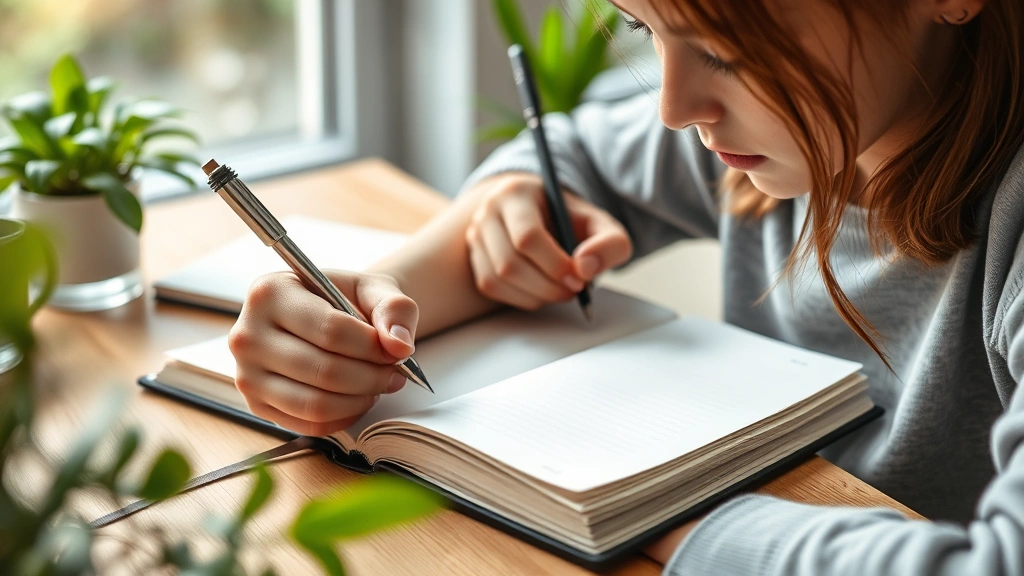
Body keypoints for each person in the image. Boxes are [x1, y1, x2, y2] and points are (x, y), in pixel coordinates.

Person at [226, 0, 1024, 573]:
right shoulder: (802, 128)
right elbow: (568, 156)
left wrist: (661, 516)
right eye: (647, 28)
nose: (675, 109)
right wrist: (385, 290)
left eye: (724, 52)